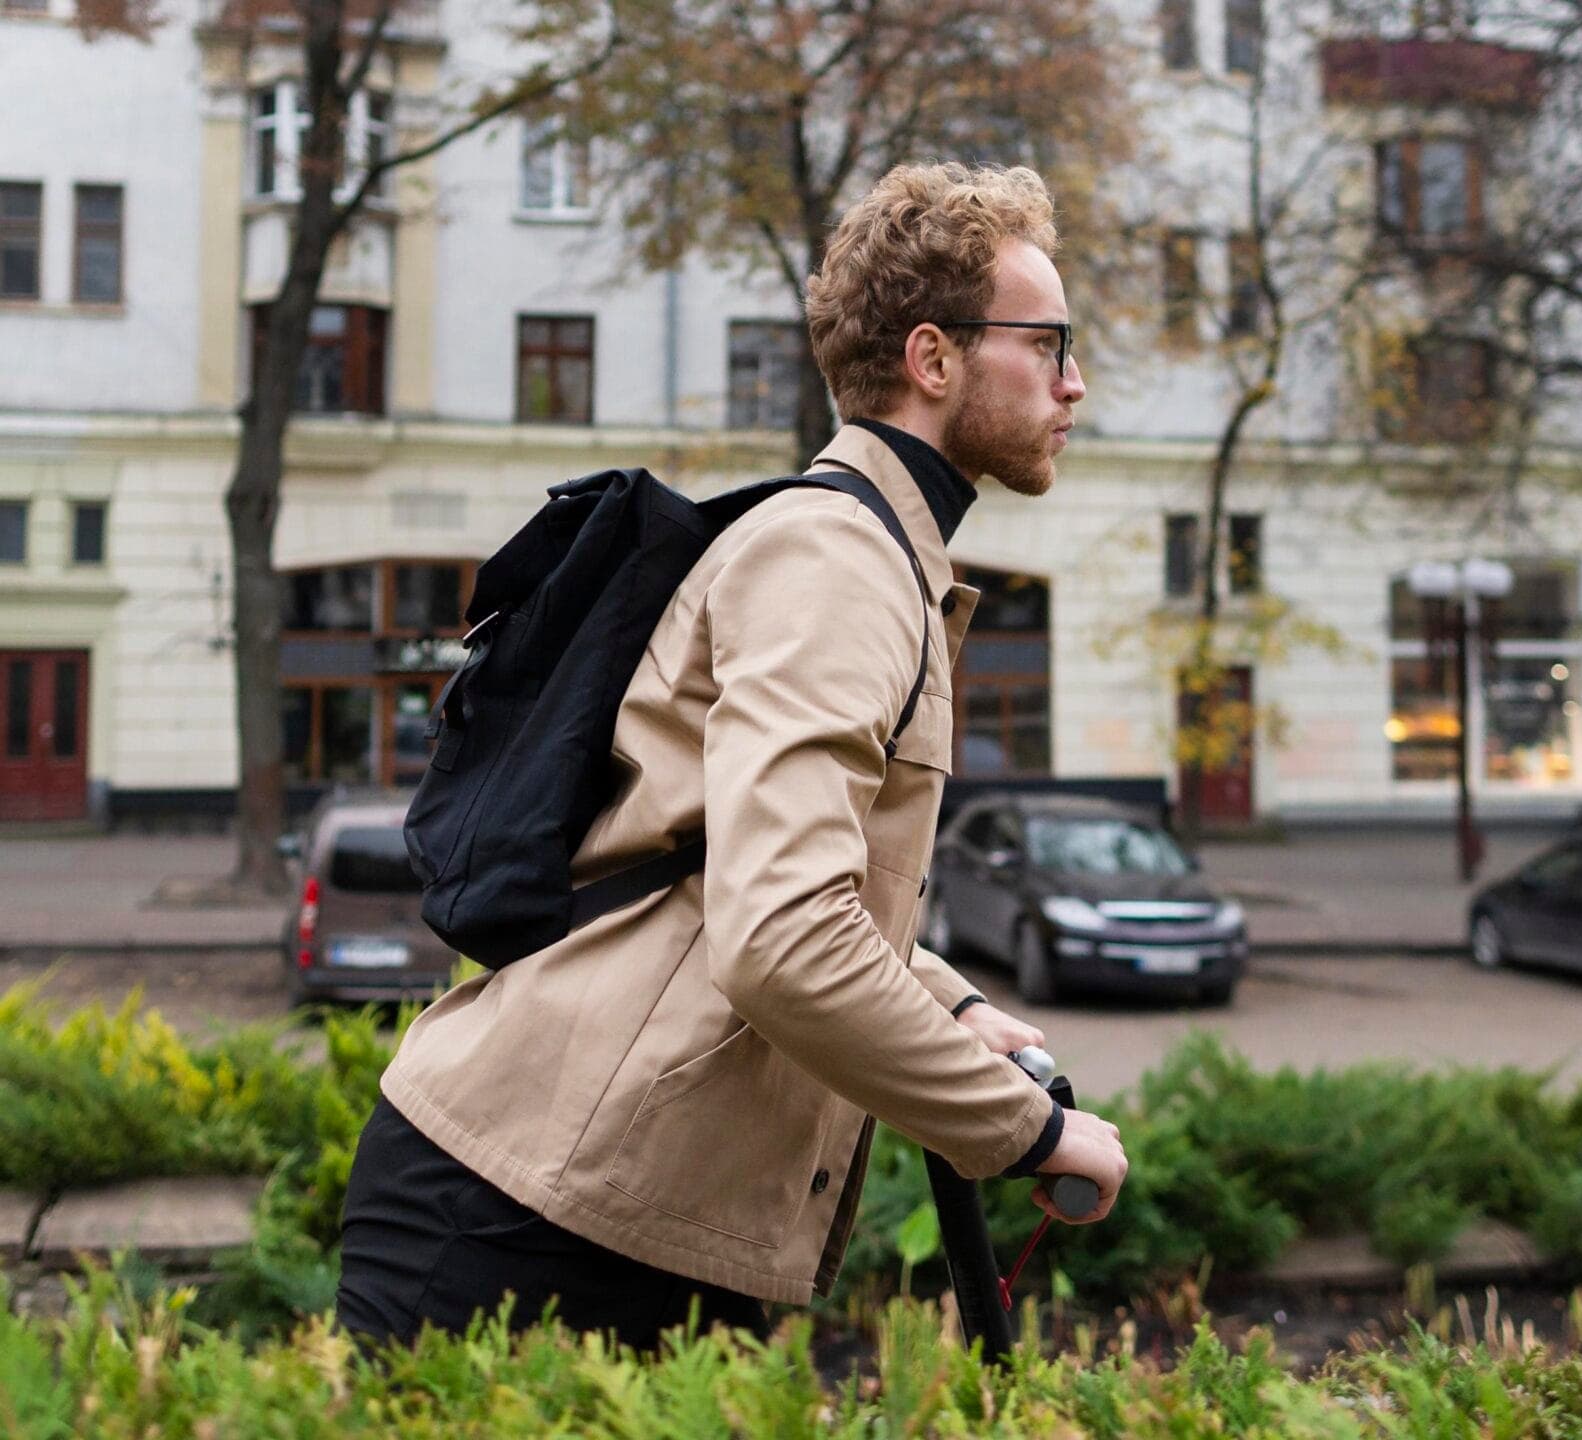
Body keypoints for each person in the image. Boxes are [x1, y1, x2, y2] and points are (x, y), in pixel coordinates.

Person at [334, 164, 1125, 1352]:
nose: (1075, 381)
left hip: (604, 1202)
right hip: (530, 1212)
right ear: (933, 358)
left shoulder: (868, 558)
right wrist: (1018, 1131)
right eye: (1049, 342)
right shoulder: (837, 560)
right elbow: (781, 941)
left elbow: (734, 883)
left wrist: (947, 1001)